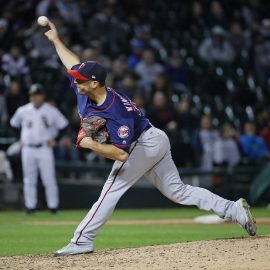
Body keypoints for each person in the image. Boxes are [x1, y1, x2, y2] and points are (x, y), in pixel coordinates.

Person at [43, 20, 256, 256]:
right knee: (178, 191)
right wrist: (55, 40)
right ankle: (232, 209)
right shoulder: (86, 88)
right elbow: (72, 63)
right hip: (152, 138)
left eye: (80, 78)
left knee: (111, 188)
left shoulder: (116, 111)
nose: (75, 79)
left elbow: (122, 154)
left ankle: (82, 240)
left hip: (143, 143)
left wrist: (90, 143)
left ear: (94, 83)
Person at [10, 83, 68, 214]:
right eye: (32, 95)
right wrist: (17, 139)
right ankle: (30, 206)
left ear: (43, 96)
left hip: (44, 148)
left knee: (49, 178)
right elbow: (13, 124)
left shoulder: (50, 110)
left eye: (37, 95)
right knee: (29, 179)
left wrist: (56, 141)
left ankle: (53, 206)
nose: (34, 97)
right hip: (28, 148)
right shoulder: (23, 110)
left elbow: (64, 126)